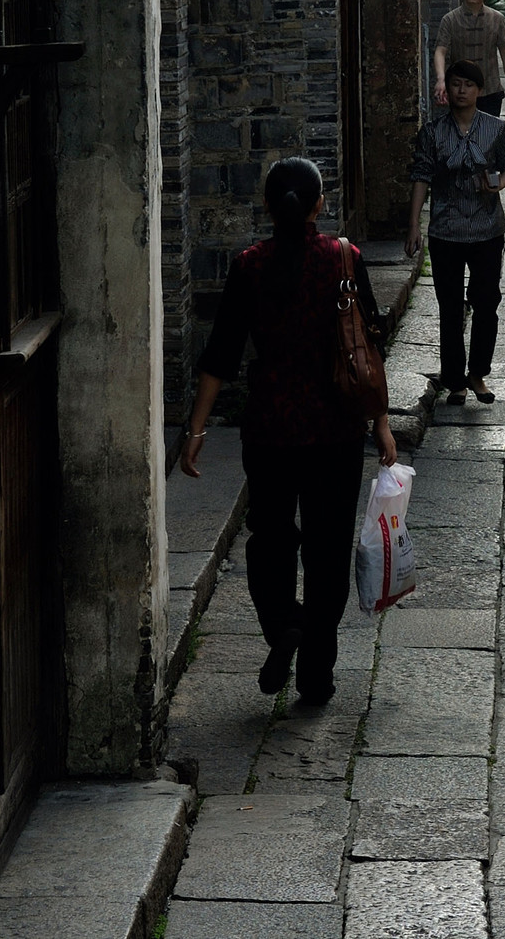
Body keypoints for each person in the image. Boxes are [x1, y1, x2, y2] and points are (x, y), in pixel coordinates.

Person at [181, 156, 395, 707]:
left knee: (270, 540)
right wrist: (381, 423)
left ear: (268, 206)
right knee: (328, 551)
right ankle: (317, 675)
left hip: (271, 429)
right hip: (336, 430)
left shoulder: (249, 266)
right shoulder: (344, 258)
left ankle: (284, 625)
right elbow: (367, 346)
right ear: (320, 203)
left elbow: (221, 354)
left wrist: (197, 431)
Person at [408, 60, 505, 403]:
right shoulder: (432, 132)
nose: (461, 90)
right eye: (456, 84)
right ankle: (455, 379)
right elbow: (421, 176)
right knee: (450, 306)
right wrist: (414, 225)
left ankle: (478, 374)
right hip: (446, 229)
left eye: (468, 85)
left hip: (487, 229)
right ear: (448, 89)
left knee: (487, 302)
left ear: (479, 91)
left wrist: (498, 184)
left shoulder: (495, 129)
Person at [433, 0, 505, 117]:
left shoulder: (496, 18)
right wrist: (441, 79)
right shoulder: (450, 19)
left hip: (490, 88)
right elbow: (440, 50)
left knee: (488, 129)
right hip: (460, 90)